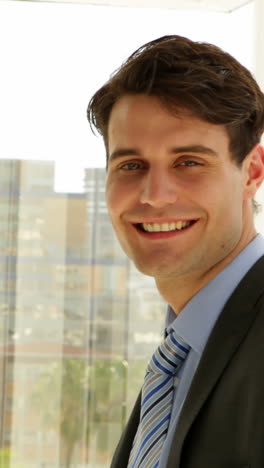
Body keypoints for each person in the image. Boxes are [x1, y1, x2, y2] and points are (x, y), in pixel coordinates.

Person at [87, 35, 264, 468]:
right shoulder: (182, 348)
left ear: (252, 172)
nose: (154, 196)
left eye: (189, 161)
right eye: (131, 165)